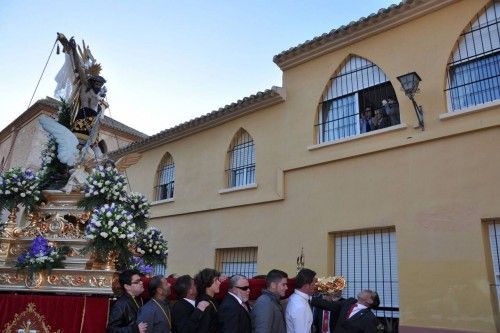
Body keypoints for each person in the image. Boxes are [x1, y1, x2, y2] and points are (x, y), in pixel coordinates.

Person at [311, 289, 380, 333]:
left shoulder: (370, 318)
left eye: (370, 292)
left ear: (370, 301)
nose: (366, 290)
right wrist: (309, 298)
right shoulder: (349, 301)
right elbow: (329, 305)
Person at [251, 269, 288, 333]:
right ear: (273, 285)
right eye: (283, 285)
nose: (286, 287)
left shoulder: (272, 301)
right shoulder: (265, 303)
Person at [285, 268, 317, 333]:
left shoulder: (295, 298)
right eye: (313, 284)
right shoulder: (300, 306)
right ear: (306, 286)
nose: (315, 287)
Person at [194, 268, 221, 333]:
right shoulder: (205, 303)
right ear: (207, 282)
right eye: (216, 280)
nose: (219, 283)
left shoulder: (211, 300)